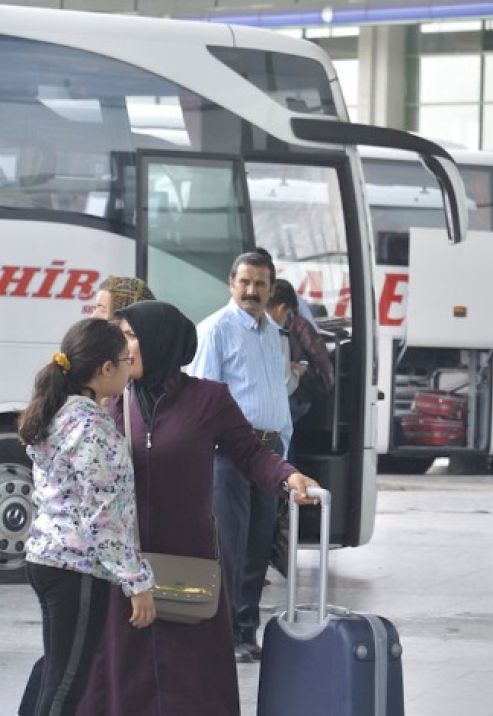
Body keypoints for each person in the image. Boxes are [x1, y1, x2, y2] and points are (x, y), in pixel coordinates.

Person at [78, 301, 319, 715]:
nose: (123, 348)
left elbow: (250, 452)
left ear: (161, 341)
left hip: (188, 560)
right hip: (125, 566)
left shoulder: (208, 399)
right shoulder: (111, 401)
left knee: (192, 678)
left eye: (131, 336)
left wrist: (287, 476)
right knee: (125, 673)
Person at [18, 319, 156, 716]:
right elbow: (103, 517)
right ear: (105, 369)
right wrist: (137, 581)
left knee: (55, 675)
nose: (130, 368)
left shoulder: (57, 413)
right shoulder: (92, 427)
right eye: (124, 361)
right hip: (75, 568)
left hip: (48, 558)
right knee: (66, 686)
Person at [189, 249, 295, 662]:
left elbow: (277, 393)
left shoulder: (274, 334)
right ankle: (225, 636)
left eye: (260, 284)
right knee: (229, 547)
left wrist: (284, 446)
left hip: (268, 451)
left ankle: (246, 631)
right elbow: (202, 398)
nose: (252, 290)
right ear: (231, 284)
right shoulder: (216, 330)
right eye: (244, 282)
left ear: (271, 288)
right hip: (230, 452)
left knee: (258, 544)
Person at [266, 279, 334, 423]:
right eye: (287, 313)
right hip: (286, 400)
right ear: (281, 308)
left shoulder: (249, 326)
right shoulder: (279, 333)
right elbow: (286, 385)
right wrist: (295, 371)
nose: (287, 318)